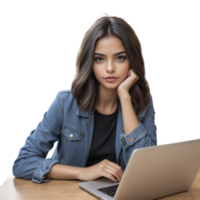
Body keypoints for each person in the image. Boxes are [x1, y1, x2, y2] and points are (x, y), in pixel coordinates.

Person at [11, 13, 158, 184]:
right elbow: (22, 163)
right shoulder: (64, 103)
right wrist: (82, 173)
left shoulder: (143, 102)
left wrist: (124, 97)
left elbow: (150, 169)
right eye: (99, 59)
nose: (110, 68)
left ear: (132, 61)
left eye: (120, 58)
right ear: (89, 62)